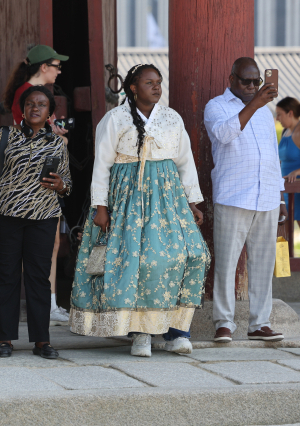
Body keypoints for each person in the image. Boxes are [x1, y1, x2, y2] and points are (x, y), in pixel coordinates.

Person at [70, 64, 209, 357]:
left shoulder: (172, 118)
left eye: (159, 82)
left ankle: (177, 332)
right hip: (127, 201)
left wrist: (192, 201)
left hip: (168, 200)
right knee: (141, 262)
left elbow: (184, 162)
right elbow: (102, 165)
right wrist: (100, 207)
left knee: (188, 256)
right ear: (133, 87)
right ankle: (141, 334)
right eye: (149, 82)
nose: (157, 87)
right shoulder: (115, 119)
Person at [0, 44, 71, 325]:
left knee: (50, 242)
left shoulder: (33, 94)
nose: (59, 70)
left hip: (43, 180)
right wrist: (59, 141)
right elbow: (27, 138)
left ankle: (49, 302)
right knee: (33, 244)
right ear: (44, 67)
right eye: (56, 65)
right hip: (28, 183)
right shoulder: (28, 95)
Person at [204, 57, 286, 343]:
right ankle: (223, 323)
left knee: (263, 263)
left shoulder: (265, 112)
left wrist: (281, 197)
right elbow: (223, 135)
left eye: (256, 81)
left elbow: (272, 157)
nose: (252, 86)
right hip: (234, 195)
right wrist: (255, 104)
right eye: (246, 81)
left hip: (266, 197)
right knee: (226, 263)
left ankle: (259, 323)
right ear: (232, 80)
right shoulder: (216, 106)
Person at [276, 97, 300, 227]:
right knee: (284, 234)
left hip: (297, 187)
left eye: (279, 114)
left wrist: (296, 171)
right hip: (285, 189)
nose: (277, 118)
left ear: (290, 113)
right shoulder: (285, 132)